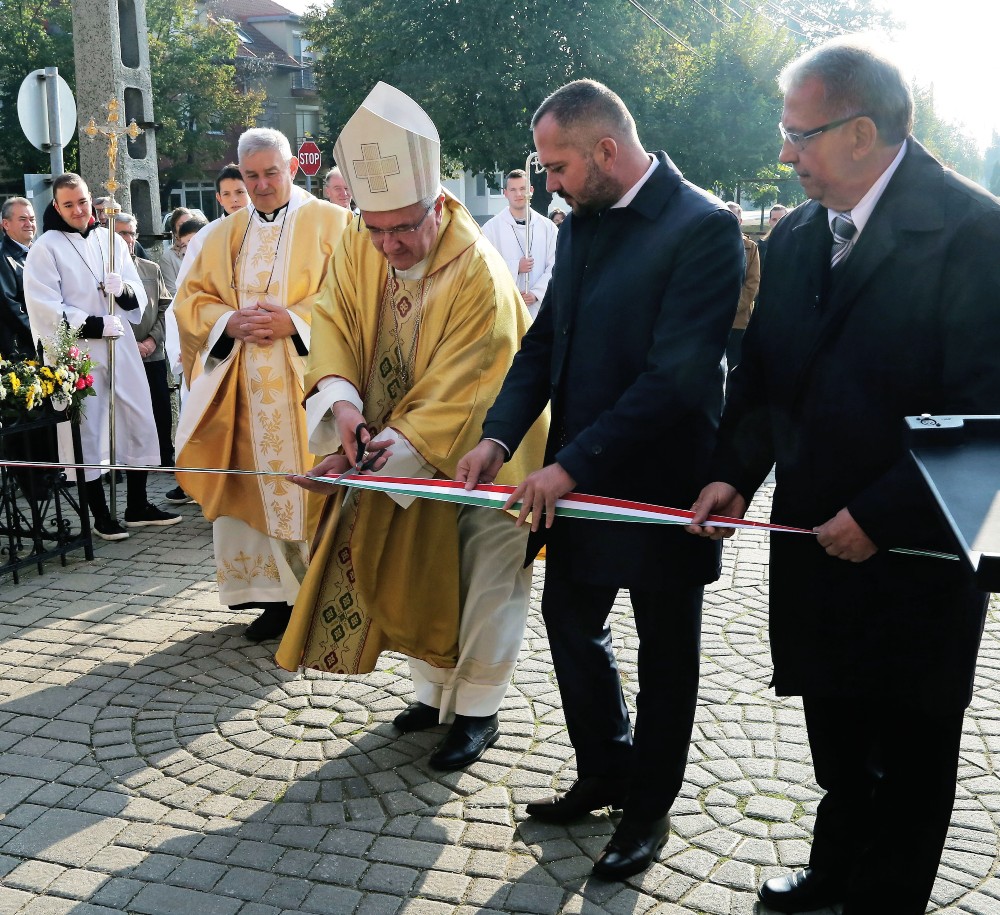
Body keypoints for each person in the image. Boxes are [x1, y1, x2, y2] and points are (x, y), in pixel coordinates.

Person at [688, 37, 1000, 915]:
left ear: (861, 133)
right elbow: (763, 377)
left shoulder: (977, 231)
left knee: (911, 740)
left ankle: (885, 896)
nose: (785, 154)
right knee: (836, 718)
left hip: (923, 550)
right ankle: (836, 870)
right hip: (817, 534)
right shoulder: (793, 237)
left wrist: (884, 512)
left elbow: (991, 414)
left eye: (801, 134)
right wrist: (734, 475)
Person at [458, 79, 743, 879]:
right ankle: (605, 766)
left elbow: (676, 378)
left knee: (667, 654)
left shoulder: (705, 226)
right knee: (570, 622)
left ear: (606, 152)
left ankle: (647, 808)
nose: (548, 182)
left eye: (557, 166)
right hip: (573, 483)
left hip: (662, 487)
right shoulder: (578, 224)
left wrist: (570, 464)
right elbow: (545, 343)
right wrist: (496, 436)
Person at [275, 82, 546, 772]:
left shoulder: (478, 271)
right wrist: (341, 409)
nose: (389, 244)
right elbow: (331, 319)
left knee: (486, 578)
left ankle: (478, 710)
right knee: (423, 568)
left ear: (440, 204)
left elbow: (463, 388)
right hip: (405, 456)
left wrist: (366, 454)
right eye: (376, 228)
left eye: (403, 228)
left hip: (491, 458)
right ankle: (431, 695)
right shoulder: (359, 243)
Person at [172, 128, 351, 642]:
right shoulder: (223, 233)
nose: (262, 184)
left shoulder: (332, 223)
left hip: (310, 389)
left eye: (272, 172)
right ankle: (274, 599)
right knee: (253, 485)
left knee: (309, 488)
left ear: (292, 167)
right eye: (251, 176)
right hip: (243, 389)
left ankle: (318, 594)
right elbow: (191, 302)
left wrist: (295, 322)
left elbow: (354, 298)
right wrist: (227, 323)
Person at [23, 174, 182, 540]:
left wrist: (124, 290)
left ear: (89, 199)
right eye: (69, 205)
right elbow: (43, 307)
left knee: (136, 418)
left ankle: (138, 504)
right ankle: (99, 512)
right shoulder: (46, 248)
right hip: (80, 352)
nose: (78, 210)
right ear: (56, 207)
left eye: (82, 201)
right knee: (90, 429)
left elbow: (137, 299)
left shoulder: (110, 238)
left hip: (121, 346)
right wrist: (93, 324)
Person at [114, 212, 173, 468]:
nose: (126, 239)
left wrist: (151, 341)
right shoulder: (104, 272)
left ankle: (164, 455)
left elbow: (165, 308)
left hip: (152, 352)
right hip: (121, 354)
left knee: (160, 405)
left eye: (130, 233)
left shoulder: (151, 269)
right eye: (120, 233)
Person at [481, 169, 558, 320]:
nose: (518, 194)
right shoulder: (491, 229)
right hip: (506, 309)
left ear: (531, 190)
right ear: (505, 193)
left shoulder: (548, 228)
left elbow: (557, 265)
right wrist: (515, 267)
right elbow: (483, 266)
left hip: (540, 309)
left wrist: (537, 293)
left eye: (523, 189)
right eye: (513, 190)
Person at [724, 201, 760, 371]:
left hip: (738, 320)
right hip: (710, 318)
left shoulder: (750, 247)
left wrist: (733, 307)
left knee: (734, 365)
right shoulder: (708, 243)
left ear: (740, 221)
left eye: (734, 217)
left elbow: (753, 283)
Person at [0, 197, 37, 359]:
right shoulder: (3, 258)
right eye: (22, 219)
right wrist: (43, 338)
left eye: (32, 219)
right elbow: (11, 308)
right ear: (5, 224)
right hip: (19, 353)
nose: (29, 223)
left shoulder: (40, 253)